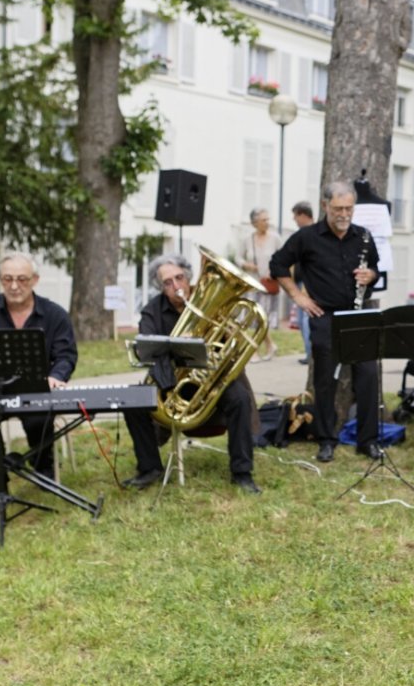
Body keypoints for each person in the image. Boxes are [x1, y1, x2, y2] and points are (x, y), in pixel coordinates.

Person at [122, 254, 261, 493]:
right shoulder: (151, 312)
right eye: (168, 282)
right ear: (161, 287)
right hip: (172, 383)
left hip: (212, 378)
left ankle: (242, 473)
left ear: (188, 277)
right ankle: (149, 468)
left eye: (179, 278)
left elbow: (233, 348)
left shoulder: (214, 302)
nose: (176, 286)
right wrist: (176, 349)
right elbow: (149, 351)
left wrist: (229, 333)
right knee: (131, 401)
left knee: (239, 398)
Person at [269, 180, 381, 463]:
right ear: (324, 206)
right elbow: (278, 264)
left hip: (358, 315)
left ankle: (367, 441)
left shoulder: (364, 237)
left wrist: (372, 276)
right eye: (338, 209)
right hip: (325, 316)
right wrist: (298, 297)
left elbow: (376, 271)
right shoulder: (307, 237)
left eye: (349, 208)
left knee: (368, 376)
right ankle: (326, 440)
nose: (344, 214)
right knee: (324, 381)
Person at [0, 252, 77, 481]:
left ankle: (43, 468)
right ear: (1, 280)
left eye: (22, 279)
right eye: (7, 279)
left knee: (38, 417)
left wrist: (56, 376)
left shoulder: (55, 314)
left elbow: (66, 355)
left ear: (34, 280)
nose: (14, 286)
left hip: (37, 390)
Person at [238, 207, 283, 360]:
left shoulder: (275, 238)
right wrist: (246, 265)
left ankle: (257, 350)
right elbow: (238, 258)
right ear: (255, 223)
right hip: (252, 283)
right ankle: (267, 346)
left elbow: (282, 258)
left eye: (267, 219)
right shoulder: (247, 239)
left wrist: (274, 271)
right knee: (254, 317)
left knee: (262, 318)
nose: (267, 223)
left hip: (268, 284)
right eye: (264, 220)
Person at [291, 200, 314, 364]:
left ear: (304, 215)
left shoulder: (311, 234)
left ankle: (311, 355)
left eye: (296, 215)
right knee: (300, 321)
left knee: (306, 320)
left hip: (308, 285)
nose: (294, 219)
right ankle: (308, 353)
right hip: (299, 284)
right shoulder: (301, 234)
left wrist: (305, 286)